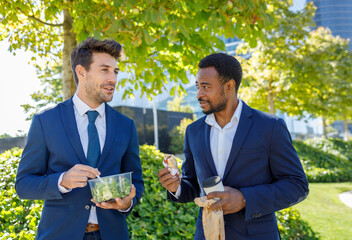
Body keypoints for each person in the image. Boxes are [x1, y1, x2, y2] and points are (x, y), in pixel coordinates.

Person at [158, 53, 309, 240]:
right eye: (198, 87)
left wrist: (245, 198)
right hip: (206, 234)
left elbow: (297, 185)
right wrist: (176, 186)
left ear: (229, 86)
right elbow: (192, 185)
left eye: (206, 87)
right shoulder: (193, 131)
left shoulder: (270, 126)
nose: (199, 94)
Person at [15, 37, 144, 240]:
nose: (113, 78)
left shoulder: (125, 125)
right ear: (81, 72)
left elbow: (136, 180)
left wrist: (126, 203)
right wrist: (62, 181)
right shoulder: (45, 121)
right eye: (104, 70)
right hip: (59, 234)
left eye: (115, 71)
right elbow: (23, 184)